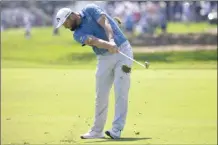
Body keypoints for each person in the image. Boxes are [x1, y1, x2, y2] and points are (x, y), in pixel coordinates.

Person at [55, 4, 133, 139]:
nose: (65, 27)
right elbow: (93, 41)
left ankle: (117, 129)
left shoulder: (90, 9)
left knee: (121, 91)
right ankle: (97, 131)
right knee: (100, 94)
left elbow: (106, 23)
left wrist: (112, 40)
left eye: (65, 23)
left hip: (123, 50)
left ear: (71, 16)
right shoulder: (77, 34)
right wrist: (109, 45)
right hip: (103, 57)